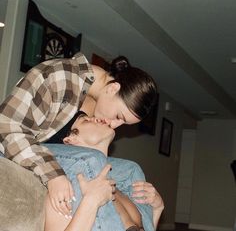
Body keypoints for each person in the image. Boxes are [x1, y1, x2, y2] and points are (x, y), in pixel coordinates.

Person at [0, 52, 158, 218]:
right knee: (92, 159)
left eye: (123, 124)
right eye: (119, 117)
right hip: (13, 148)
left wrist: (156, 208)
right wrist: (53, 175)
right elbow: (6, 125)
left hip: (50, 153)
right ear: (113, 88)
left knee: (131, 171)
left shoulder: (99, 99)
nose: (114, 126)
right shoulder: (59, 76)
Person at [44, 115, 164, 231]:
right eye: (85, 120)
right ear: (70, 140)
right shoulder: (68, 189)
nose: (95, 118)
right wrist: (91, 200)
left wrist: (158, 208)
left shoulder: (119, 189)